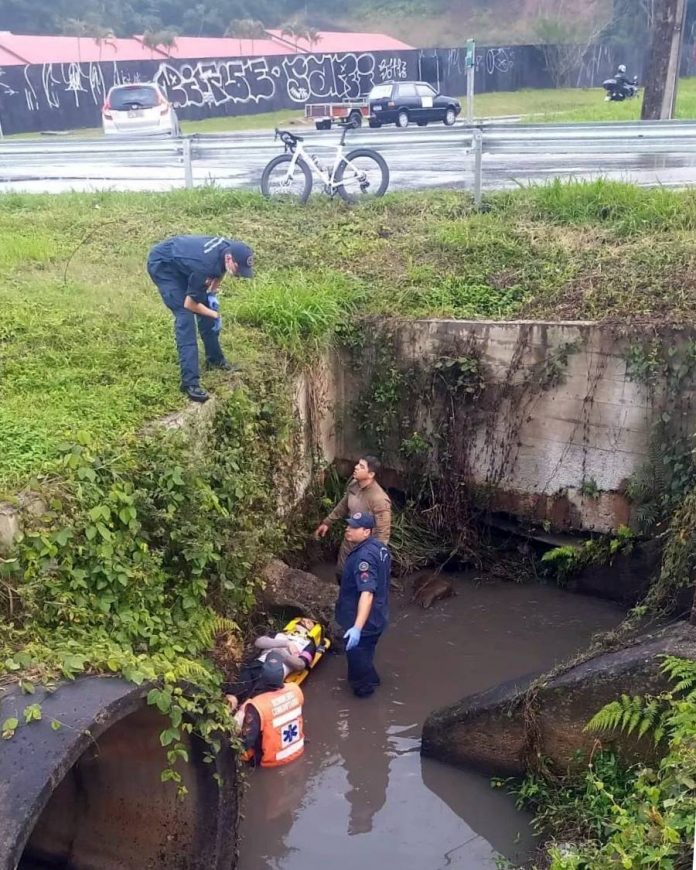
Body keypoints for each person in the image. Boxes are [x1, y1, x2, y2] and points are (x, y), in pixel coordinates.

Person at [147, 235, 254, 403]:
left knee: (206, 305)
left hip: (184, 262)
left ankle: (215, 360)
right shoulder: (204, 266)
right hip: (164, 264)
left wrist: (212, 293)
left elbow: (220, 271)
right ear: (229, 258)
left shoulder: (228, 248)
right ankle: (190, 383)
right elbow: (190, 304)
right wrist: (215, 315)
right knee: (185, 317)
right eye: (238, 270)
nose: (239, 275)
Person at [335, 511, 391, 698]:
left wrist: (357, 627)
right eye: (349, 525)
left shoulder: (363, 558)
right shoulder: (379, 548)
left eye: (353, 527)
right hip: (378, 616)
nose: (348, 529)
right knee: (366, 653)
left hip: (363, 621)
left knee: (357, 663)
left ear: (366, 532)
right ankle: (373, 680)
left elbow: (367, 593)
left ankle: (365, 697)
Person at [314, 455, 391, 580]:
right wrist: (327, 522)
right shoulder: (354, 484)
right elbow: (344, 505)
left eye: (361, 466)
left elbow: (383, 533)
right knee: (341, 572)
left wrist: (374, 556)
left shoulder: (379, 499)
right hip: (349, 540)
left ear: (371, 474)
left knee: (359, 580)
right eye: (357, 464)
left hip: (365, 547)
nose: (356, 467)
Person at [224, 618, 319, 705]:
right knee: (232, 695)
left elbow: (300, 664)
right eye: (303, 620)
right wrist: (286, 643)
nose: (304, 621)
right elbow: (259, 642)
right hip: (257, 664)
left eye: (309, 622)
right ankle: (224, 717)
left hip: (275, 671)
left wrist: (281, 652)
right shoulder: (279, 635)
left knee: (249, 704)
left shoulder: (309, 645)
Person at [231, 659, 305, 767]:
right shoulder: (295, 689)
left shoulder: (257, 705)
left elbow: (247, 740)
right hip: (297, 749)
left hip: (272, 761)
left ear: (263, 677)